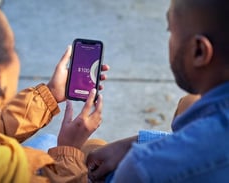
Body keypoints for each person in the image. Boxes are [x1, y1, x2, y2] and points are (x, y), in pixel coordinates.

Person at [0, 0, 109, 182]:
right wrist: (69, 150)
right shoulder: (16, 174)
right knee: (96, 148)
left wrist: (49, 94)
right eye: (11, 50)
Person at [87, 0, 229, 182]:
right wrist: (138, 142)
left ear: (199, 51)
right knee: (188, 103)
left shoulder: (143, 168)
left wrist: (68, 150)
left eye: (171, 31)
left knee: (89, 149)